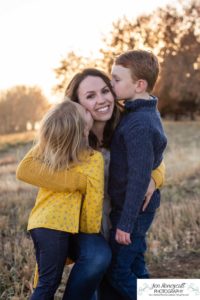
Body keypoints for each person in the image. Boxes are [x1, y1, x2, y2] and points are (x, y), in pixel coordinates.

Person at [16, 68, 166, 300]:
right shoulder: (67, 134)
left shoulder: (129, 124)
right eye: (90, 96)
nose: (102, 100)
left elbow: (154, 157)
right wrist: (82, 182)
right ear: (77, 104)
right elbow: (26, 169)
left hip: (120, 222)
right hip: (82, 226)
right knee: (104, 265)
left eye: (105, 91)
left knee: (128, 275)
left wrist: (154, 177)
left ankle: (184, 293)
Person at [16, 99, 109, 300]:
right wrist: (89, 232)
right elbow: (93, 206)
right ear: (83, 130)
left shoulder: (52, 151)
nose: (86, 107)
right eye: (83, 110)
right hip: (56, 227)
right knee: (48, 284)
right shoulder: (92, 158)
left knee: (48, 282)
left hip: (41, 224)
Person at [106, 50, 168, 300]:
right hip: (134, 210)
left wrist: (125, 223)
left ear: (139, 84)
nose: (111, 85)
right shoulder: (139, 112)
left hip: (133, 211)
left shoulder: (140, 123)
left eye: (116, 79)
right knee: (135, 264)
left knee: (118, 272)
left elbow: (140, 179)